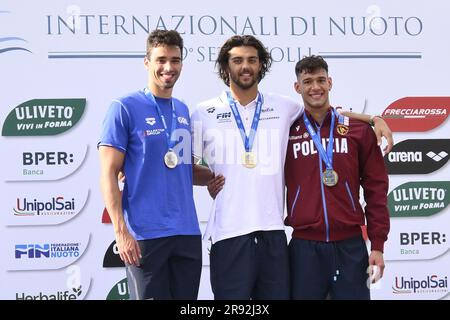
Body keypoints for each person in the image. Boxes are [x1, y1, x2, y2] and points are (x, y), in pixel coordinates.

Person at [192, 35, 393, 300]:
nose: (245, 66)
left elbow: (325, 110)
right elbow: (183, 164)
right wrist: (209, 178)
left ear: (261, 65)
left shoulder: (283, 107)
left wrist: (373, 118)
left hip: (279, 237)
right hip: (235, 236)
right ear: (225, 65)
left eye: (252, 60)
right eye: (237, 60)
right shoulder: (202, 112)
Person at [98, 29, 218, 300]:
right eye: (161, 59)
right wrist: (121, 231)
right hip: (145, 235)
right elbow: (107, 173)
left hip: (187, 233)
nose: (168, 67)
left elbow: (182, 169)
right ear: (147, 62)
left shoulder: (183, 110)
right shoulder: (123, 107)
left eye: (175, 60)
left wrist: (219, 176)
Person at [285, 55, 390, 300]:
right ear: (297, 87)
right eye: (308, 81)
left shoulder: (357, 130)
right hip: (304, 248)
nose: (315, 87)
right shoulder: (286, 130)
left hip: (351, 246)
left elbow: (376, 189)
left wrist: (377, 245)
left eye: (321, 80)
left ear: (330, 83)